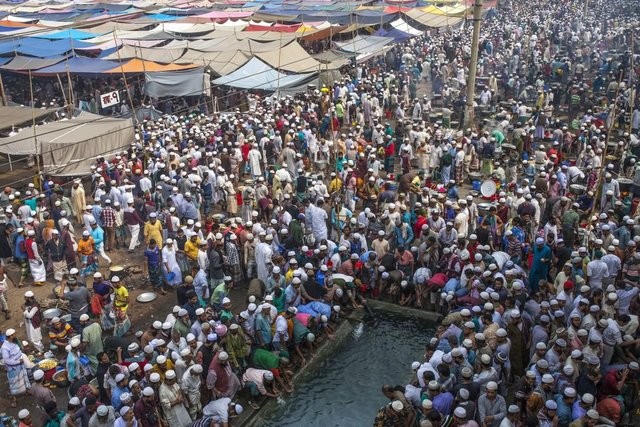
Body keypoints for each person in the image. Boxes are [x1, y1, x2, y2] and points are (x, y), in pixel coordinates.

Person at [1, 329, 30, 408]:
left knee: (23, 378)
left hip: (20, 365)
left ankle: (26, 391)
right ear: (10, 336)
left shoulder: (15, 341)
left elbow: (20, 349)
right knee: (13, 384)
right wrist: (17, 362)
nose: (15, 335)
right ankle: (13, 399)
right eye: (14, 334)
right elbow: (7, 360)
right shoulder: (4, 348)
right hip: (13, 367)